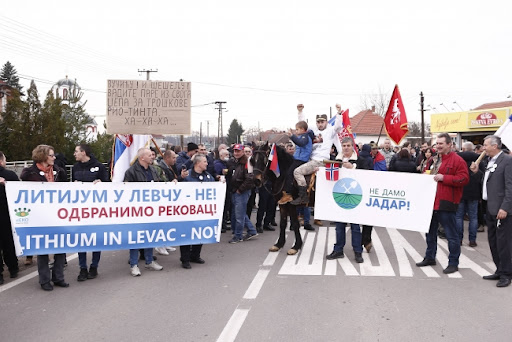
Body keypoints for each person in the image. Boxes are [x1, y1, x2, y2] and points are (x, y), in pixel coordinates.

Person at [416, 133, 469, 274]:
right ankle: (430, 257)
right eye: (437, 143)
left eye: (441, 144)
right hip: (431, 202)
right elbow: (426, 174)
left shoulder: (458, 160)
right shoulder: (432, 160)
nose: (438, 146)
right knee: (430, 233)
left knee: (451, 235)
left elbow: (464, 179)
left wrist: (444, 178)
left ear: (449, 145)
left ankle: (453, 263)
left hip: (447, 202)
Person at [20, 145, 69, 291]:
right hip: (40, 216)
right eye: (51, 155)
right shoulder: (29, 173)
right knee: (43, 249)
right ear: (42, 156)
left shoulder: (59, 172)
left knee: (61, 246)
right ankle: (44, 280)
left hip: (58, 214)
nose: (54, 158)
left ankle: (58, 277)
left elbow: (66, 189)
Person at [470, 135, 512, 287]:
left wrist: (505, 207)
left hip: (501, 210)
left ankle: (507, 274)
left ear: (495, 146)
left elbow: (510, 187)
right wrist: (477, 172)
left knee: (504, 243)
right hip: (490, 207)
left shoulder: (507, 161)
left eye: (485, 145)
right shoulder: (490, 161)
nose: (483, 147)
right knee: (493, 242)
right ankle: (499, 270)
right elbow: (489, 182)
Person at [326, 138, 370, 263]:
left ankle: (358, 251)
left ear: (352, 146)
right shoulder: (335, 160)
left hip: (355, 198)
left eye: (348, 145)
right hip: (340, 197)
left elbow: (368, 175)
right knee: (339, 226)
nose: (346, 147)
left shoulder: (361, 160)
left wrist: (353, 168)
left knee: (355, 227)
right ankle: (338, 250)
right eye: (344, 145)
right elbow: (329, 174)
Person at [72, 144, 109, 282]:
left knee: (95, 238)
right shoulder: (75, 167)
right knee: (81, 239)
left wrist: (101, 183)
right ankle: (82, 268)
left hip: (95, 209)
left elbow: (107, 183)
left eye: (76, 151)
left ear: (83, 152)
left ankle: (94, 266)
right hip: (80, 209)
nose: (74, 154)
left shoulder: (99, 166)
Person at [123, 148, 164, 276]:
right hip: (137, 210)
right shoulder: (131, 171)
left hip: (151, 209)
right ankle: (134, 265)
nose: (152, 157)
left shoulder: (153, 170)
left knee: (150, 235)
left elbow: (160, 184)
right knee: (136, 237)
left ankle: (149, 261)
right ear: (142, 158)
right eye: (149, 155)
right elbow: (126, 190)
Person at [291, 113, 342, 205]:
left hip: (320, 161)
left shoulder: (330, 131)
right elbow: (302, 124)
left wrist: (338, 113)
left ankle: (303, 197)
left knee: (297, 172)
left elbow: (338, 126)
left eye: (322, 122)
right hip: (310, 160)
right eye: (318, 122)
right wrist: (300, 111)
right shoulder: (313, 130)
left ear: (326, 122)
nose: (320, 124)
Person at [181, 155, 214, 269]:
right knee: (186, 235)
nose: (207, 164)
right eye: (205, 161)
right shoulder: (187, 176)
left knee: (199, 233)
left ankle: (195, 255)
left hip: (201, 211)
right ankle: (185, 259)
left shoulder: (208, 176)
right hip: (188, 211)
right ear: (198, 163)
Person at [228, 144, 258, 243]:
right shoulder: (234, 162)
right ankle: (252, 231)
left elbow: (250, 178)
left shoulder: (247, 162)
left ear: (242, 151)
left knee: (239, 215)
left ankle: (238, 236)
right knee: (240, 213)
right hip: (235, 190)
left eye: (238, 151)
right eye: (235, 151)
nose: (236, 153)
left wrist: (240, 190)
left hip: (242, 191)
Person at [279, 121, 313, 204]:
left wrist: (292, 136)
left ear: (302, 129)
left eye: (297, 129)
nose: (296, 131)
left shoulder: (305, 137)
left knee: (290, 173)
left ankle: (289, 193)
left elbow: (301, 144)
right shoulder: (301, 136)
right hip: (297, 158)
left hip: (301, 160)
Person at [456, 142, 481, 247]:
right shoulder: (479, 159)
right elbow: (482, 176)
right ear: (472, 149)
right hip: (474, 192)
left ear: (463, 149)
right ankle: (472, 240)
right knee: (473, 217)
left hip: (460, 190)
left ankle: (459, 239)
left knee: (458, 217)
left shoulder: (458, 158)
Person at [0, 151, 20, 284]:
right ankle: (13, 268)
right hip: (6, 214)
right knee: (8, 242)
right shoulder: (9, 175)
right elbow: (19, 190)